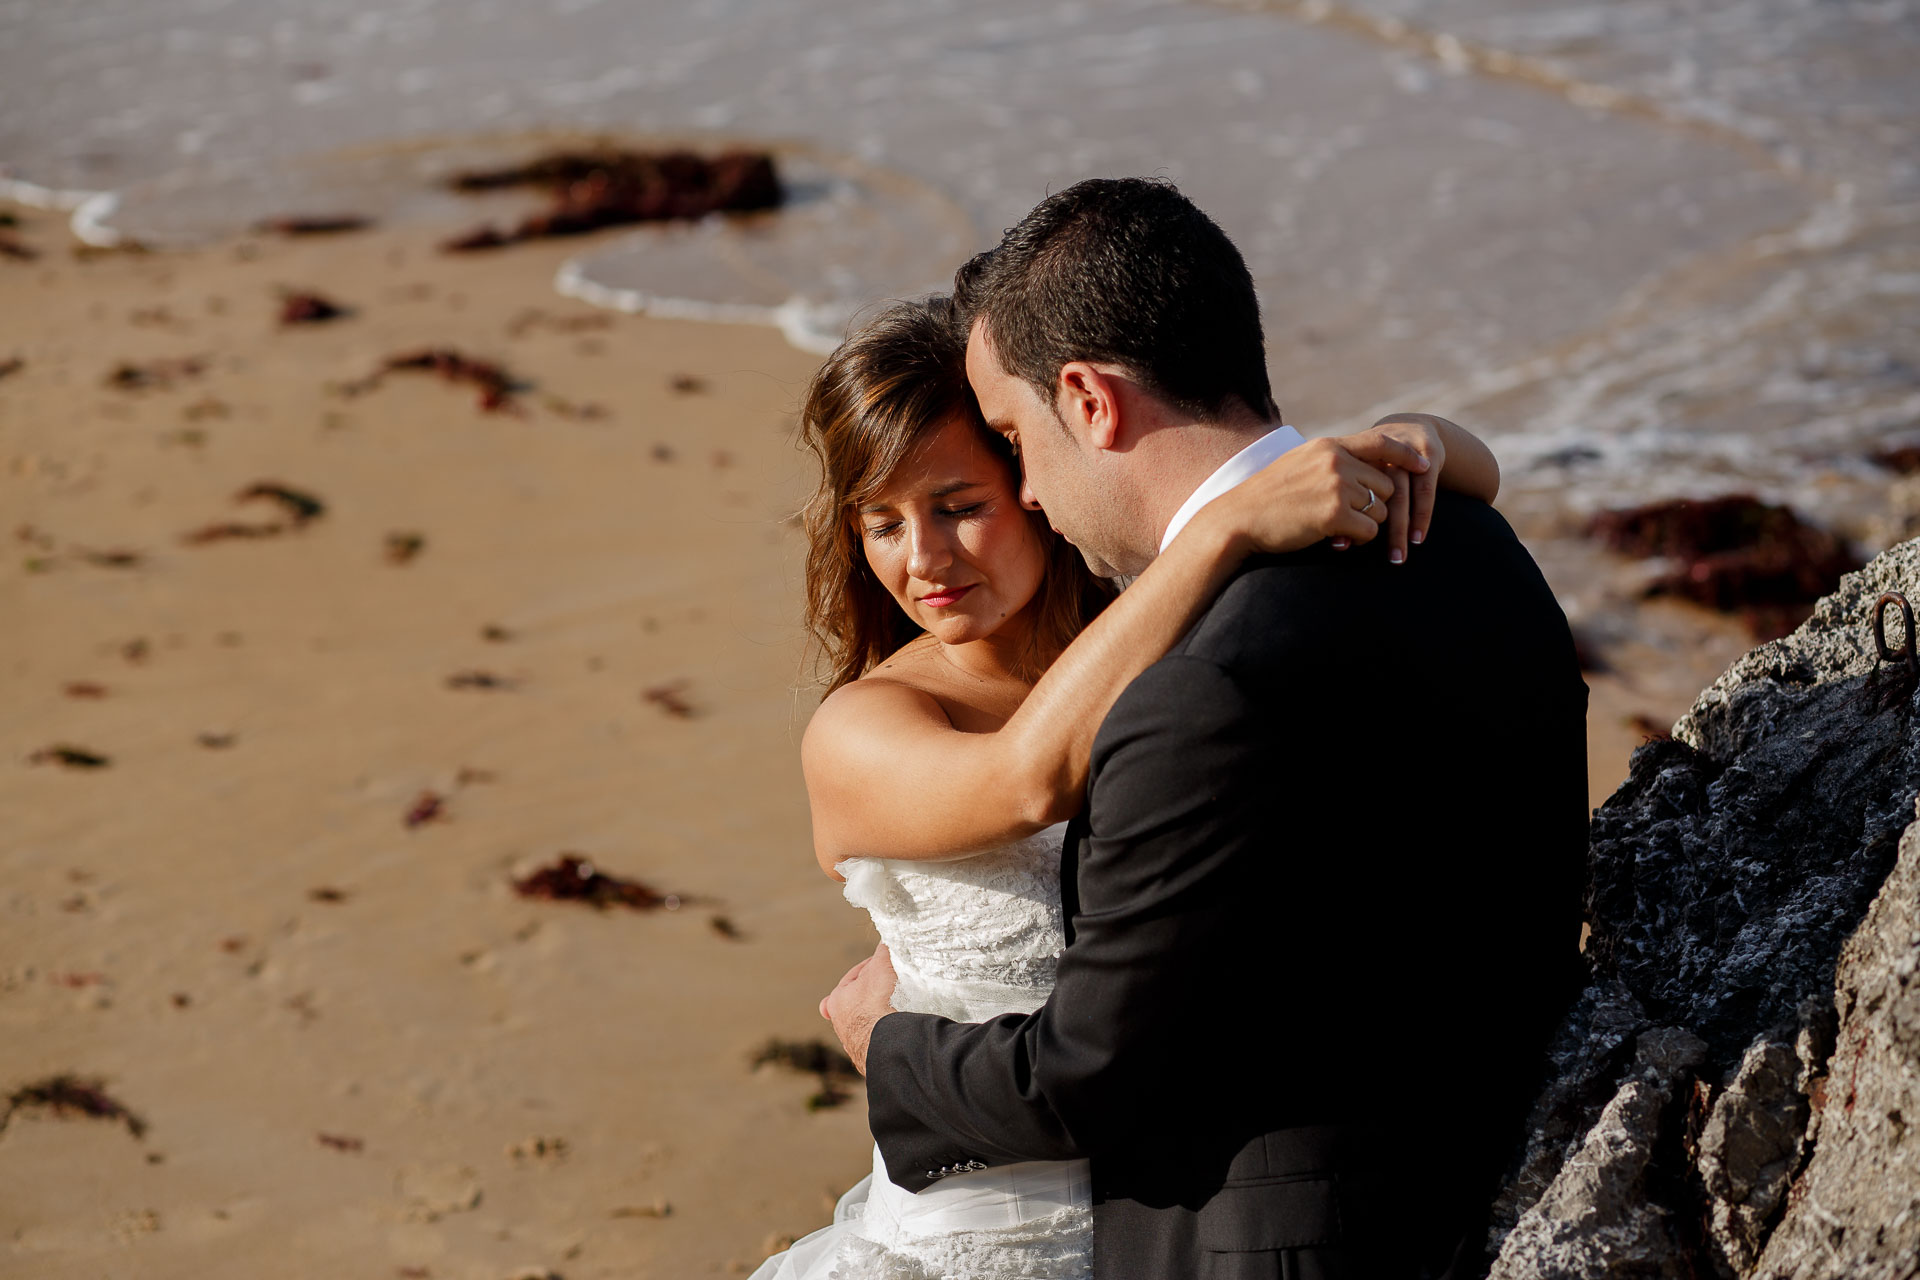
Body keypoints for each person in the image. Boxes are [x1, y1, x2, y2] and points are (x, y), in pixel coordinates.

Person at [819, 178, 1590, 1280]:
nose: (1028, 490)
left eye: (1008, 443)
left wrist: (886, 1049)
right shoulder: (1469, 538)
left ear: (1088, 400)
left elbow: (1082, 1070)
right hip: (1515, 1164)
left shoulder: (1191, 684)